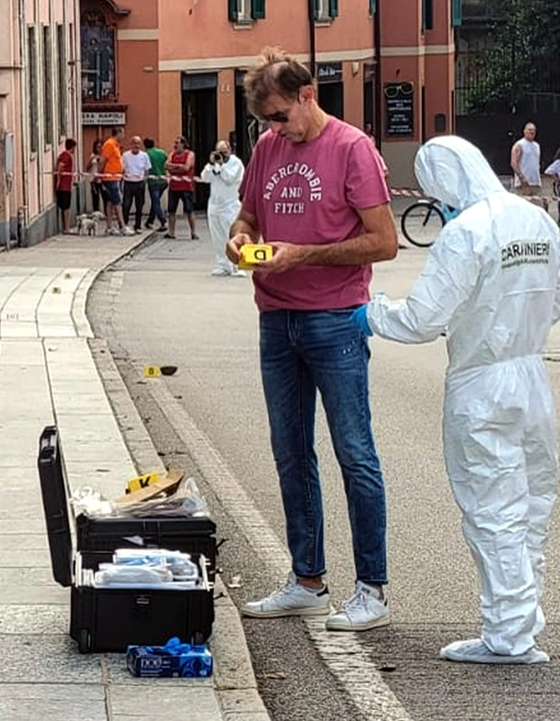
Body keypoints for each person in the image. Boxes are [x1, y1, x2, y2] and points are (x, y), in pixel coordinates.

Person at [353, 135, 560, 664]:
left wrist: (372, 313)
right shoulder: (537, 220)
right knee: (531, 505)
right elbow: (557, 301)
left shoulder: (465, 232)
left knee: (492, 510)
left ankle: (508, 636)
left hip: (481, 382)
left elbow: (424, 317)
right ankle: (522, 619)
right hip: (532, 376)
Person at [228, 46, 398, 632]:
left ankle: (371, 587)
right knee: (290, 451)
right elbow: (248, 216)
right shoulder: (269, 149)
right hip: (276, 317)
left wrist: (307, 255)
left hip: (336, 317)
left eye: (278, 116)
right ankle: (307, 580)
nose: (272, 129)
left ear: (308, 96)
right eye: (264, 121)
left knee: (355, 452)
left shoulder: (352, 149)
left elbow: (383, 241)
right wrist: (239, 239)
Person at [199, 140, 247, 277]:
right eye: (219, 152)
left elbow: (229, 179)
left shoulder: (236, 163)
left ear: (230, 150)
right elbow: (205, 178)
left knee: (232, 236)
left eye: (224, 152)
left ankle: (238, 266)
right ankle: (223, 265)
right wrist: (210, 164)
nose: (221, 155)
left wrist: (221, 166)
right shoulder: (214, 163)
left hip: (230, 205)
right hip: (214, 205)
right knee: (217, 237)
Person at [163, 136, 198, 240]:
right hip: (174, 186)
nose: (175, 145)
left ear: (183, 144)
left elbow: (187, 167)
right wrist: (179, 167)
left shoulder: (190, 154)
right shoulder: (172, 154)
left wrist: (173, 168)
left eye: (177, 143)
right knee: (171, 210)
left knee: (189, 210)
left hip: (186, 186)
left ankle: (193, 232)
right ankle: (171, 232)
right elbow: (166, 165)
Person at [511, 122, 546, 211]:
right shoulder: (519, 145)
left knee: (537, 209)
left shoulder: (537, 146)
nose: (532, 132)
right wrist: (521, 177)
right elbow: (514, 163)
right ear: (524, 131)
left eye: (534, 130)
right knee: (523, 209)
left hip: (535, 182)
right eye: (530, 130)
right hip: (523, 184)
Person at [100, 126, 127, 234]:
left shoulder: (116, 145)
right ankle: (122, 226)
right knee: (117, 201)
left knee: (111, 202)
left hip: (116, 177)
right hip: (110, 177)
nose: (124, 136)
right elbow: (103, 160)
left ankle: (109, 226)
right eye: (123, 133)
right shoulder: (109, 144)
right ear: (118, 133)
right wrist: (99, 174)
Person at [121, 135, 149, 234]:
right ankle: (124, 224)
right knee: (126, 205)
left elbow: (147, 170)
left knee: (139, 205)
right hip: (128, 182)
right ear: (131, 144)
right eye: (134, 143)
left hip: (140, 183)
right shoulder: (125, 155)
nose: (136, 145)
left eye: (138, 143)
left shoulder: (144, 156)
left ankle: (138, 225)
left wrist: (144, 180)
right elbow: (122, 169)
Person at [144, 138, 169, 231]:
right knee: (156, 201)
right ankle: (149, 221)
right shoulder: (162, 152)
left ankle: (163, 221)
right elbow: (167, 164)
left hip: (153, 181)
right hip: (163, 180)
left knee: (156, 202)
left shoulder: (146, 154)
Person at [55, 138, 77, 234]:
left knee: (65, 207)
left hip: (65, 184)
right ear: (72, 147)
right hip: (64, 186)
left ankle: (65, 227)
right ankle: (66, 227)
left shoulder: (64, 155)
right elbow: (60, 166)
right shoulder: (66, 156)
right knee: (66, 207)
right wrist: (59, 180)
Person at [86, 140, 105, 213]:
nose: (99, 149)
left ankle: (106, 213)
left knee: (105, 197)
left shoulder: (104, 155)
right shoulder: (92, 155)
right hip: (93, 180)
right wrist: (92, 159)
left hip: (102, 179)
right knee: (95, 197)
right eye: (98, 147)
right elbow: (87, 168)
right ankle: (96, 212)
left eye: (101, 147)